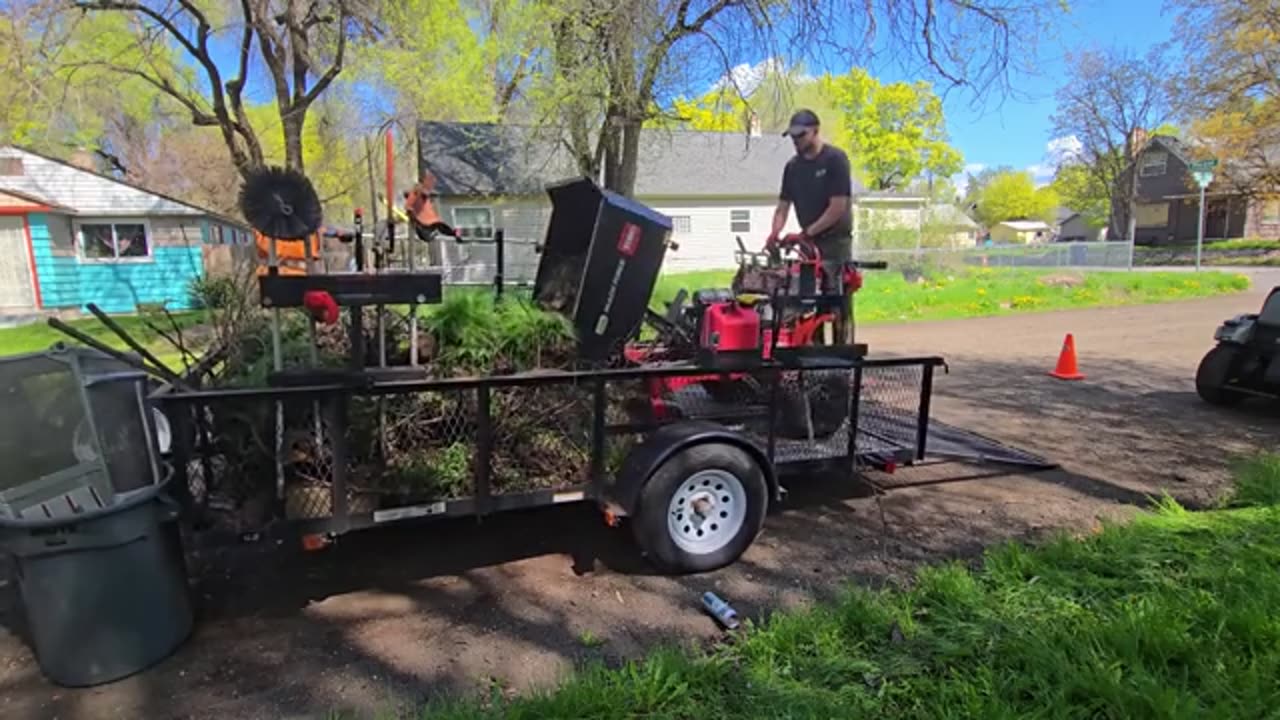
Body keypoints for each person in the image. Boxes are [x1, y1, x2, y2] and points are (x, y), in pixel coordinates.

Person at [769, 109, 855, 340]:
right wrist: (775, 232)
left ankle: (842, 358)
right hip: (808, 245)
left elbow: (837, 207)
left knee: (836, 302)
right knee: (808, 301)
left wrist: (806, 233)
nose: (796, 141)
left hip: (835, 243)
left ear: (815, 131)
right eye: (793, 137)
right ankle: (814, 362)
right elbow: (783, 206)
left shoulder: (835, 159)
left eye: (801, 135)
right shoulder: (792, 168)